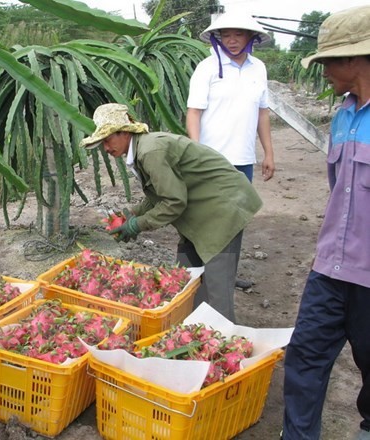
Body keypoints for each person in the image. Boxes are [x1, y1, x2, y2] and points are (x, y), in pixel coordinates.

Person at [80, 103, 262, 322]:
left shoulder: (150, 151)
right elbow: (159, 193)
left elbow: (174, 202)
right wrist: (131, 214)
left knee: (217, 286)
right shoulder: (142, 151)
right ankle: (193, 327)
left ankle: (222, 340)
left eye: (108, 140)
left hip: (223, 209)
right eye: (102, 144)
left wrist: (136, 224)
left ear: (124, 132)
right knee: (185, 277)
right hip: (201, 212)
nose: (106, 149)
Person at [282, 6, 370, 440]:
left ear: (356, 60)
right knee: (304, 360)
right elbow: (339, 190)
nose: (325, 72)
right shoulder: (342, 117)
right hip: (329, 270)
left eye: (329, 61)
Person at [186, 12, 275, 290]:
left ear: (251, 38)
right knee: (203, 219)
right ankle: (193, 277)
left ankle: (224, 276)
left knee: (235, 221)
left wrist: (268, 153)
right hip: (211, 161)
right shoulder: (207, 68)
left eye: (239, 34)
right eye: (226, 35)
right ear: (217, 38)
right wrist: (197, 152)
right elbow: (193, 113)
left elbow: (262, 113)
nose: (232, 40)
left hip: (243, 161)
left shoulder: (258, 68)